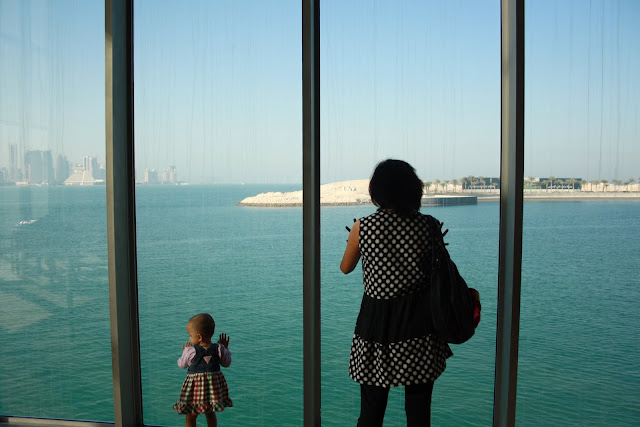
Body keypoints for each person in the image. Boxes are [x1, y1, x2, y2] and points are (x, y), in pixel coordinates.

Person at [340, 159, 453, 426]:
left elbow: (345, 268)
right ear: (413, 190)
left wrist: (354, 243)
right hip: (419, 324)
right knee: (418, 413)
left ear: (377, 191)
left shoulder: (362, 227)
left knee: (371, 412)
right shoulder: (429, 226)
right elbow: (439, 269)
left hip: (377, 326)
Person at [173, 313, 233, 427]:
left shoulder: (191, 351)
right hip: (212, 391)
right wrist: (225, 348)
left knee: (191, 415)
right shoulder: (219, 348)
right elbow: (226, 363)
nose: (189, 338)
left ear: (199, 337)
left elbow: (182, 364)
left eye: (190, 335)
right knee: (210, 413)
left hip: (195, 390)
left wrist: (185, 352)